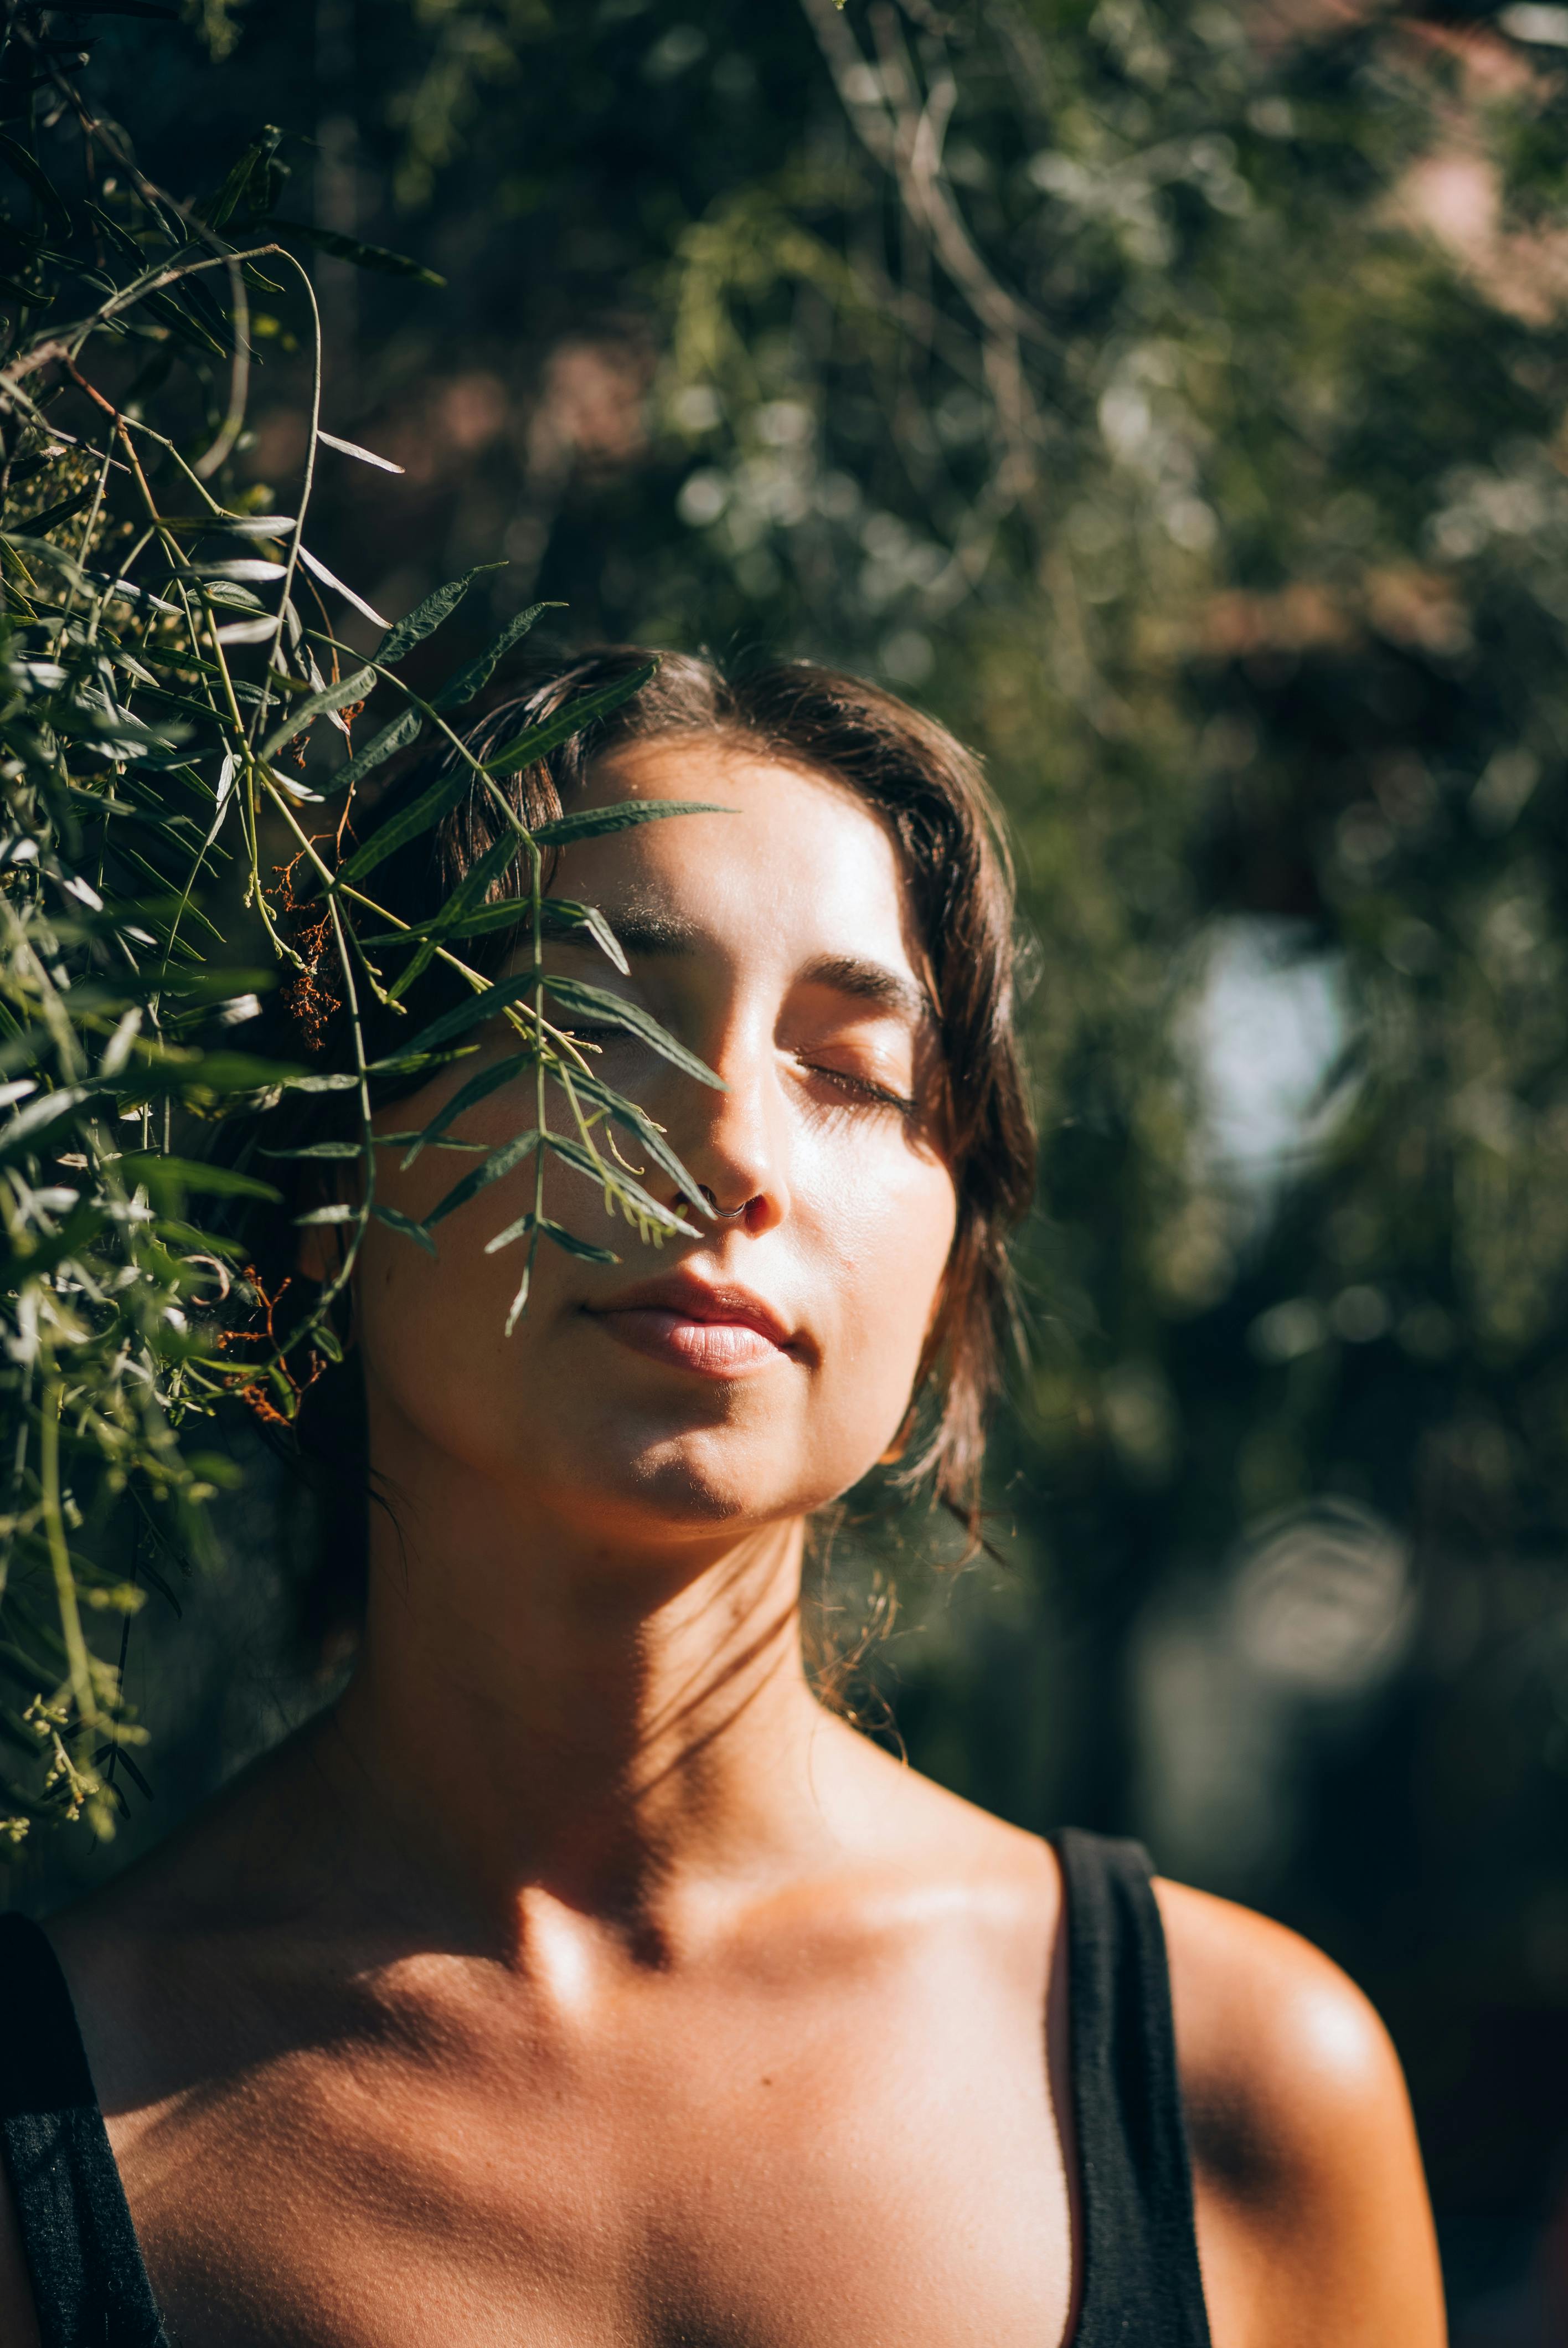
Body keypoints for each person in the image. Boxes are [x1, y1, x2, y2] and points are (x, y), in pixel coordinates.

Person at [0, 652, 1445, 2348]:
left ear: (951, 1268)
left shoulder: (1235, 2087)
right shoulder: (56, 2124)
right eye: (597, 1022)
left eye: (853, 1070)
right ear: (333, 1176)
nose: (736, 1145)